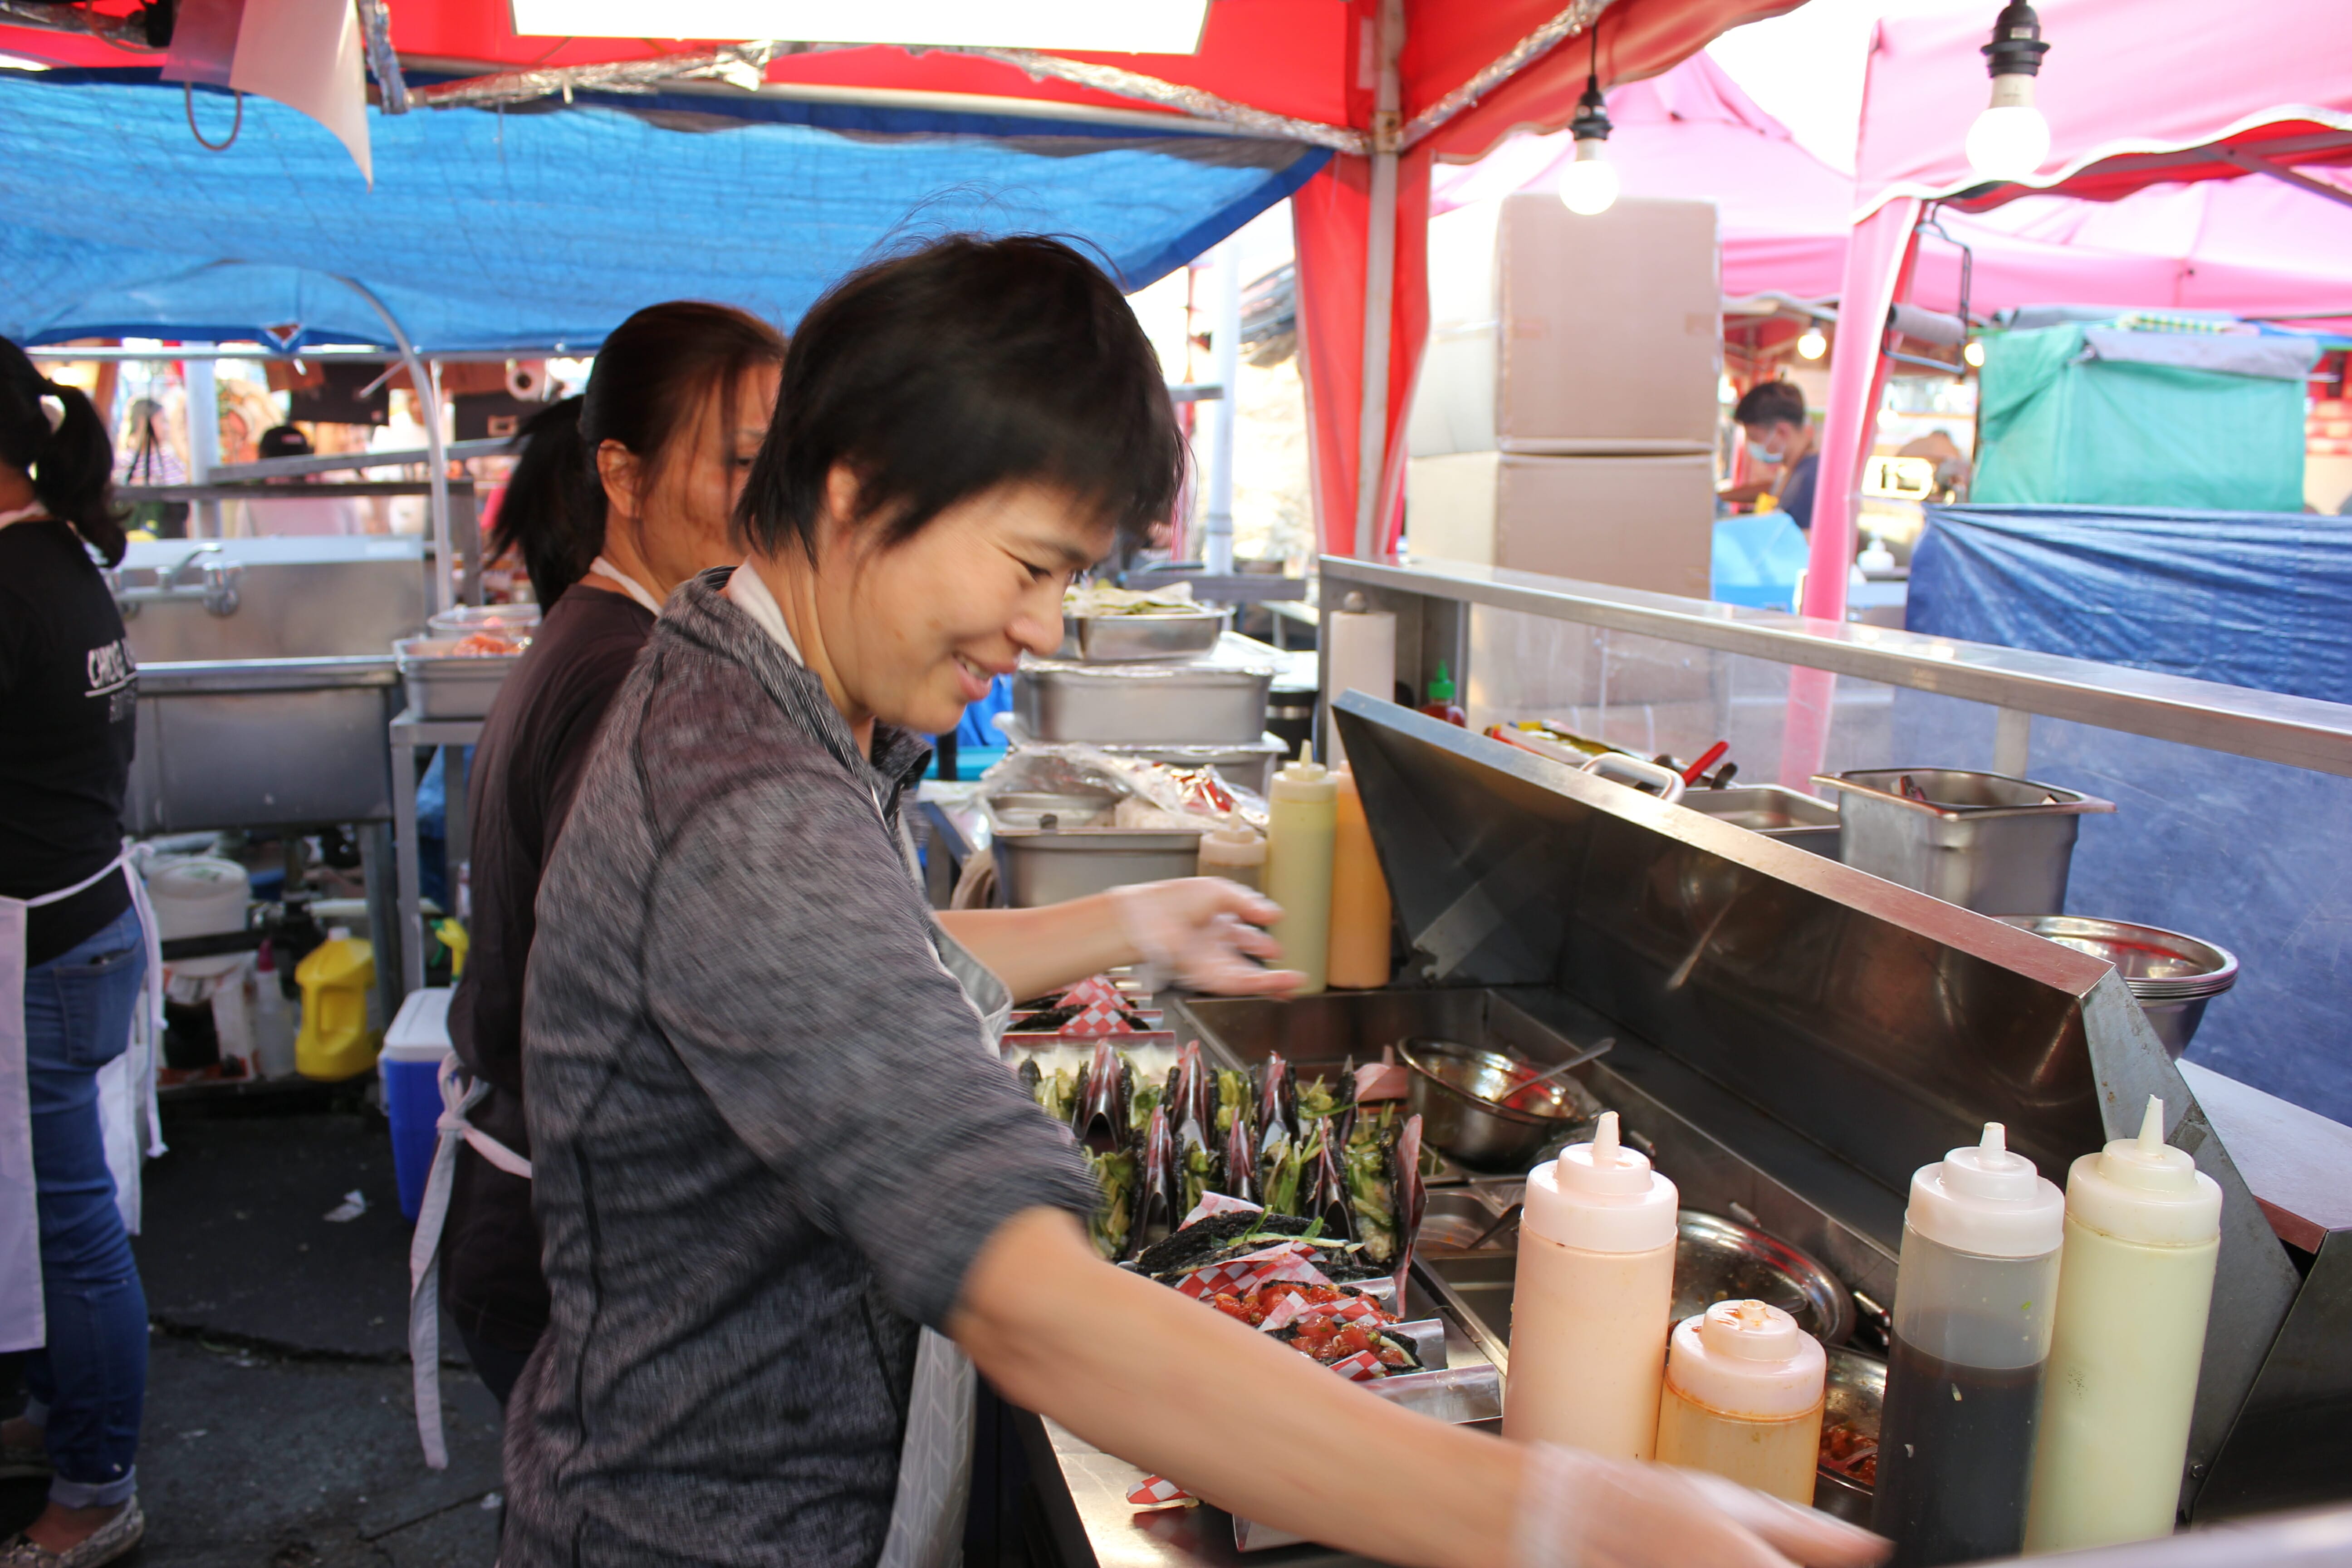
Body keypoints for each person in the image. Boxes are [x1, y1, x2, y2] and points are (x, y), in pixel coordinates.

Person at [500, 237, 1885, 1568]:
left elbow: (871, 970)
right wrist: (1547, 1519)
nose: (1043, 628)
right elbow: (1031, 1305)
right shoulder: (743, 801)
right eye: (1030, 566)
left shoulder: (765, 711)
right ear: (858, 492)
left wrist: (1136, 923)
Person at [422, 302, 789, 1433]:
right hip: (567, 1245)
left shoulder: (618, 636)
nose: (767, 493)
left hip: (552, 1218)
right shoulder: (625, 672)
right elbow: (657, 979)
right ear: (622, 476)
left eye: (782, 460)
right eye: (737, 461)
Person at [0, 338, 153, 1567]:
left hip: (44, 940)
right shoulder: (59, 556)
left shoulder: (12, 577)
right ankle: (57, 1414)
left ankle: (96, 1485)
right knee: (58, 1210)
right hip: (84, 919)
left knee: (69, 1226)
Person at [1724, 380, 1820, 532]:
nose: (1753, 445)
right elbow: (1771, 489)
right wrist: (1721, 496)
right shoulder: (1794, 469)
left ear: (1782, 431)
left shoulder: (1810, 477)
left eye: (1755, 438)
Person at [244, 425, 364, 537]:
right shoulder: (339, 492)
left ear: (263, 457)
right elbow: (358, 544)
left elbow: (242, 548)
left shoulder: (253, 497)